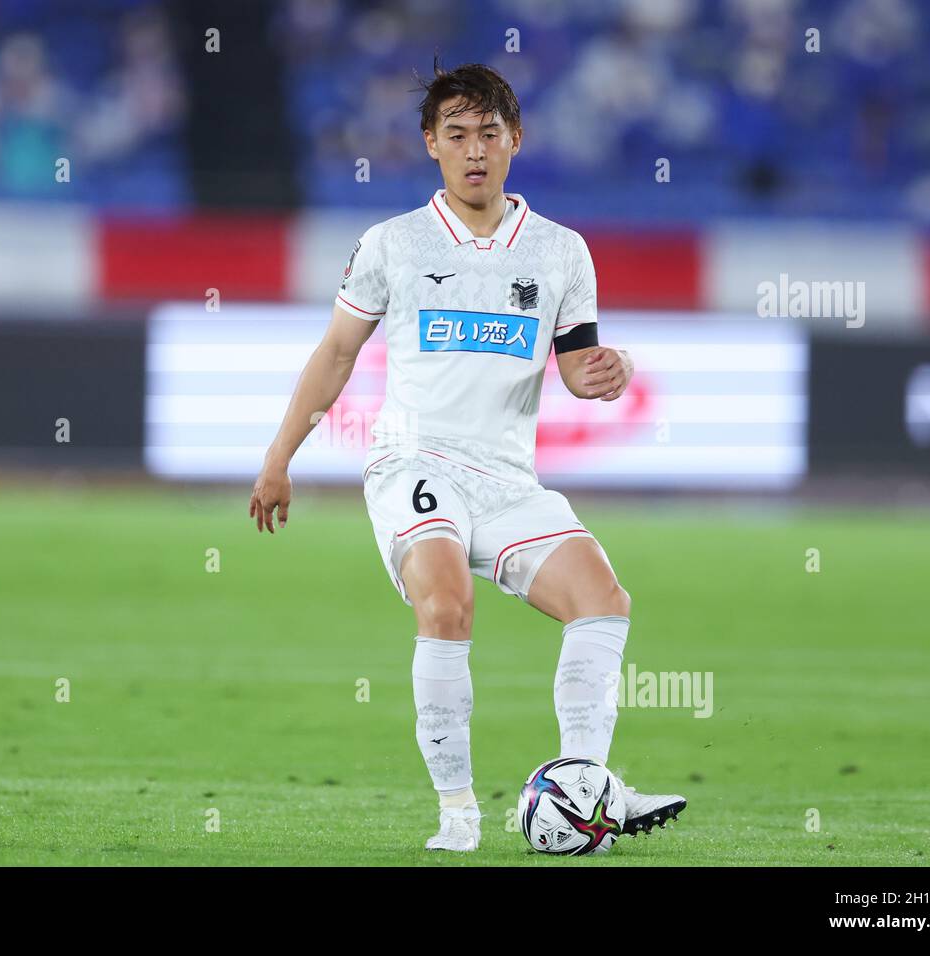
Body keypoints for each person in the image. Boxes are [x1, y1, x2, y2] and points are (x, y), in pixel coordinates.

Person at [249, 61, 686, 852]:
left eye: (489, 133)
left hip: (508, 480)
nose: (474, 149)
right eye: (457, 135)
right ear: (430, 144)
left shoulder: (560, 252)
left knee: (604, 602)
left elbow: (579, 369)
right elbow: (337, 354)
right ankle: (458, 813)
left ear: (515, 139)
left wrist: (605, 375)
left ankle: (583, 790)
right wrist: (280, 457)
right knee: (447, 605)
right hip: (415, 462)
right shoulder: (394, 244)